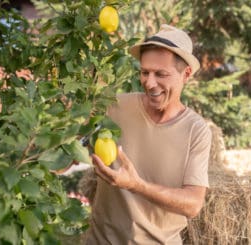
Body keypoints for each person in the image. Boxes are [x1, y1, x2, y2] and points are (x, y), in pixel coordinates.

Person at [85, 24, 212, 244]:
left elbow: (193, 205)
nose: (150, 83)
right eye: (145, 72)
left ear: (186, 74)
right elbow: (70, 146)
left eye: (161, 74)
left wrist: (136, 185)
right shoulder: (115, 106)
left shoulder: (196, 131)